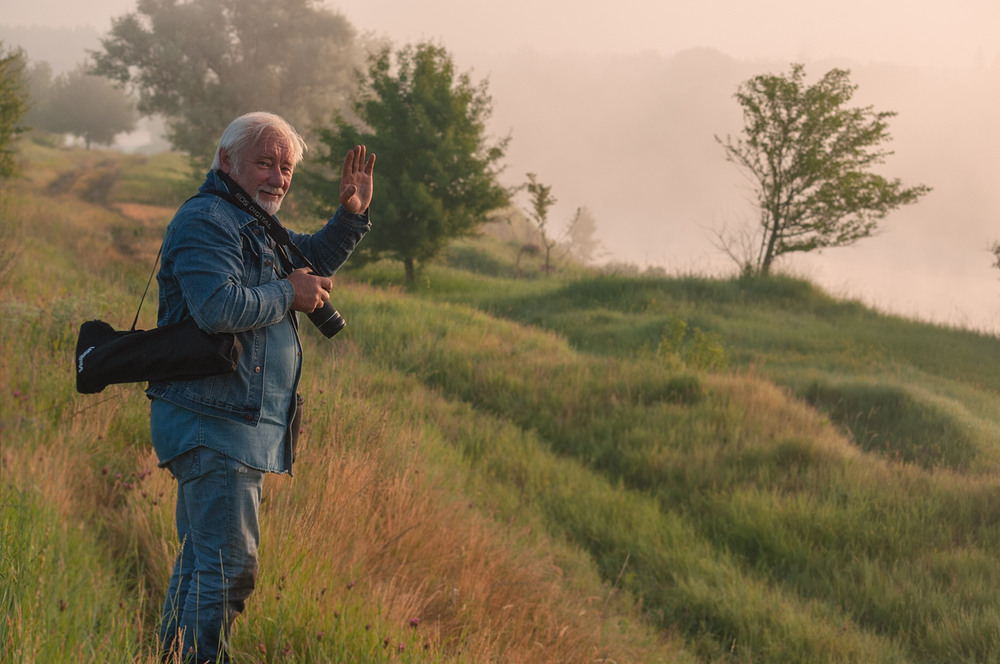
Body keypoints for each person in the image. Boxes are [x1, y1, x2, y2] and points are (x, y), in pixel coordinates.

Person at [145, 111, 375, 663]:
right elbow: (216, 306)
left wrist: (350, 216)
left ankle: (171, 656)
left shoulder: (249, 218)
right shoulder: (207, 220)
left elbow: (308, 260)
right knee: (227, 571)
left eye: (285, 167)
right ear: (227, 162)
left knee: (205, 562)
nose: (277, 177)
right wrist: (286, 294)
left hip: (232, 425)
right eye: (264, 163)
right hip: (213, 423)